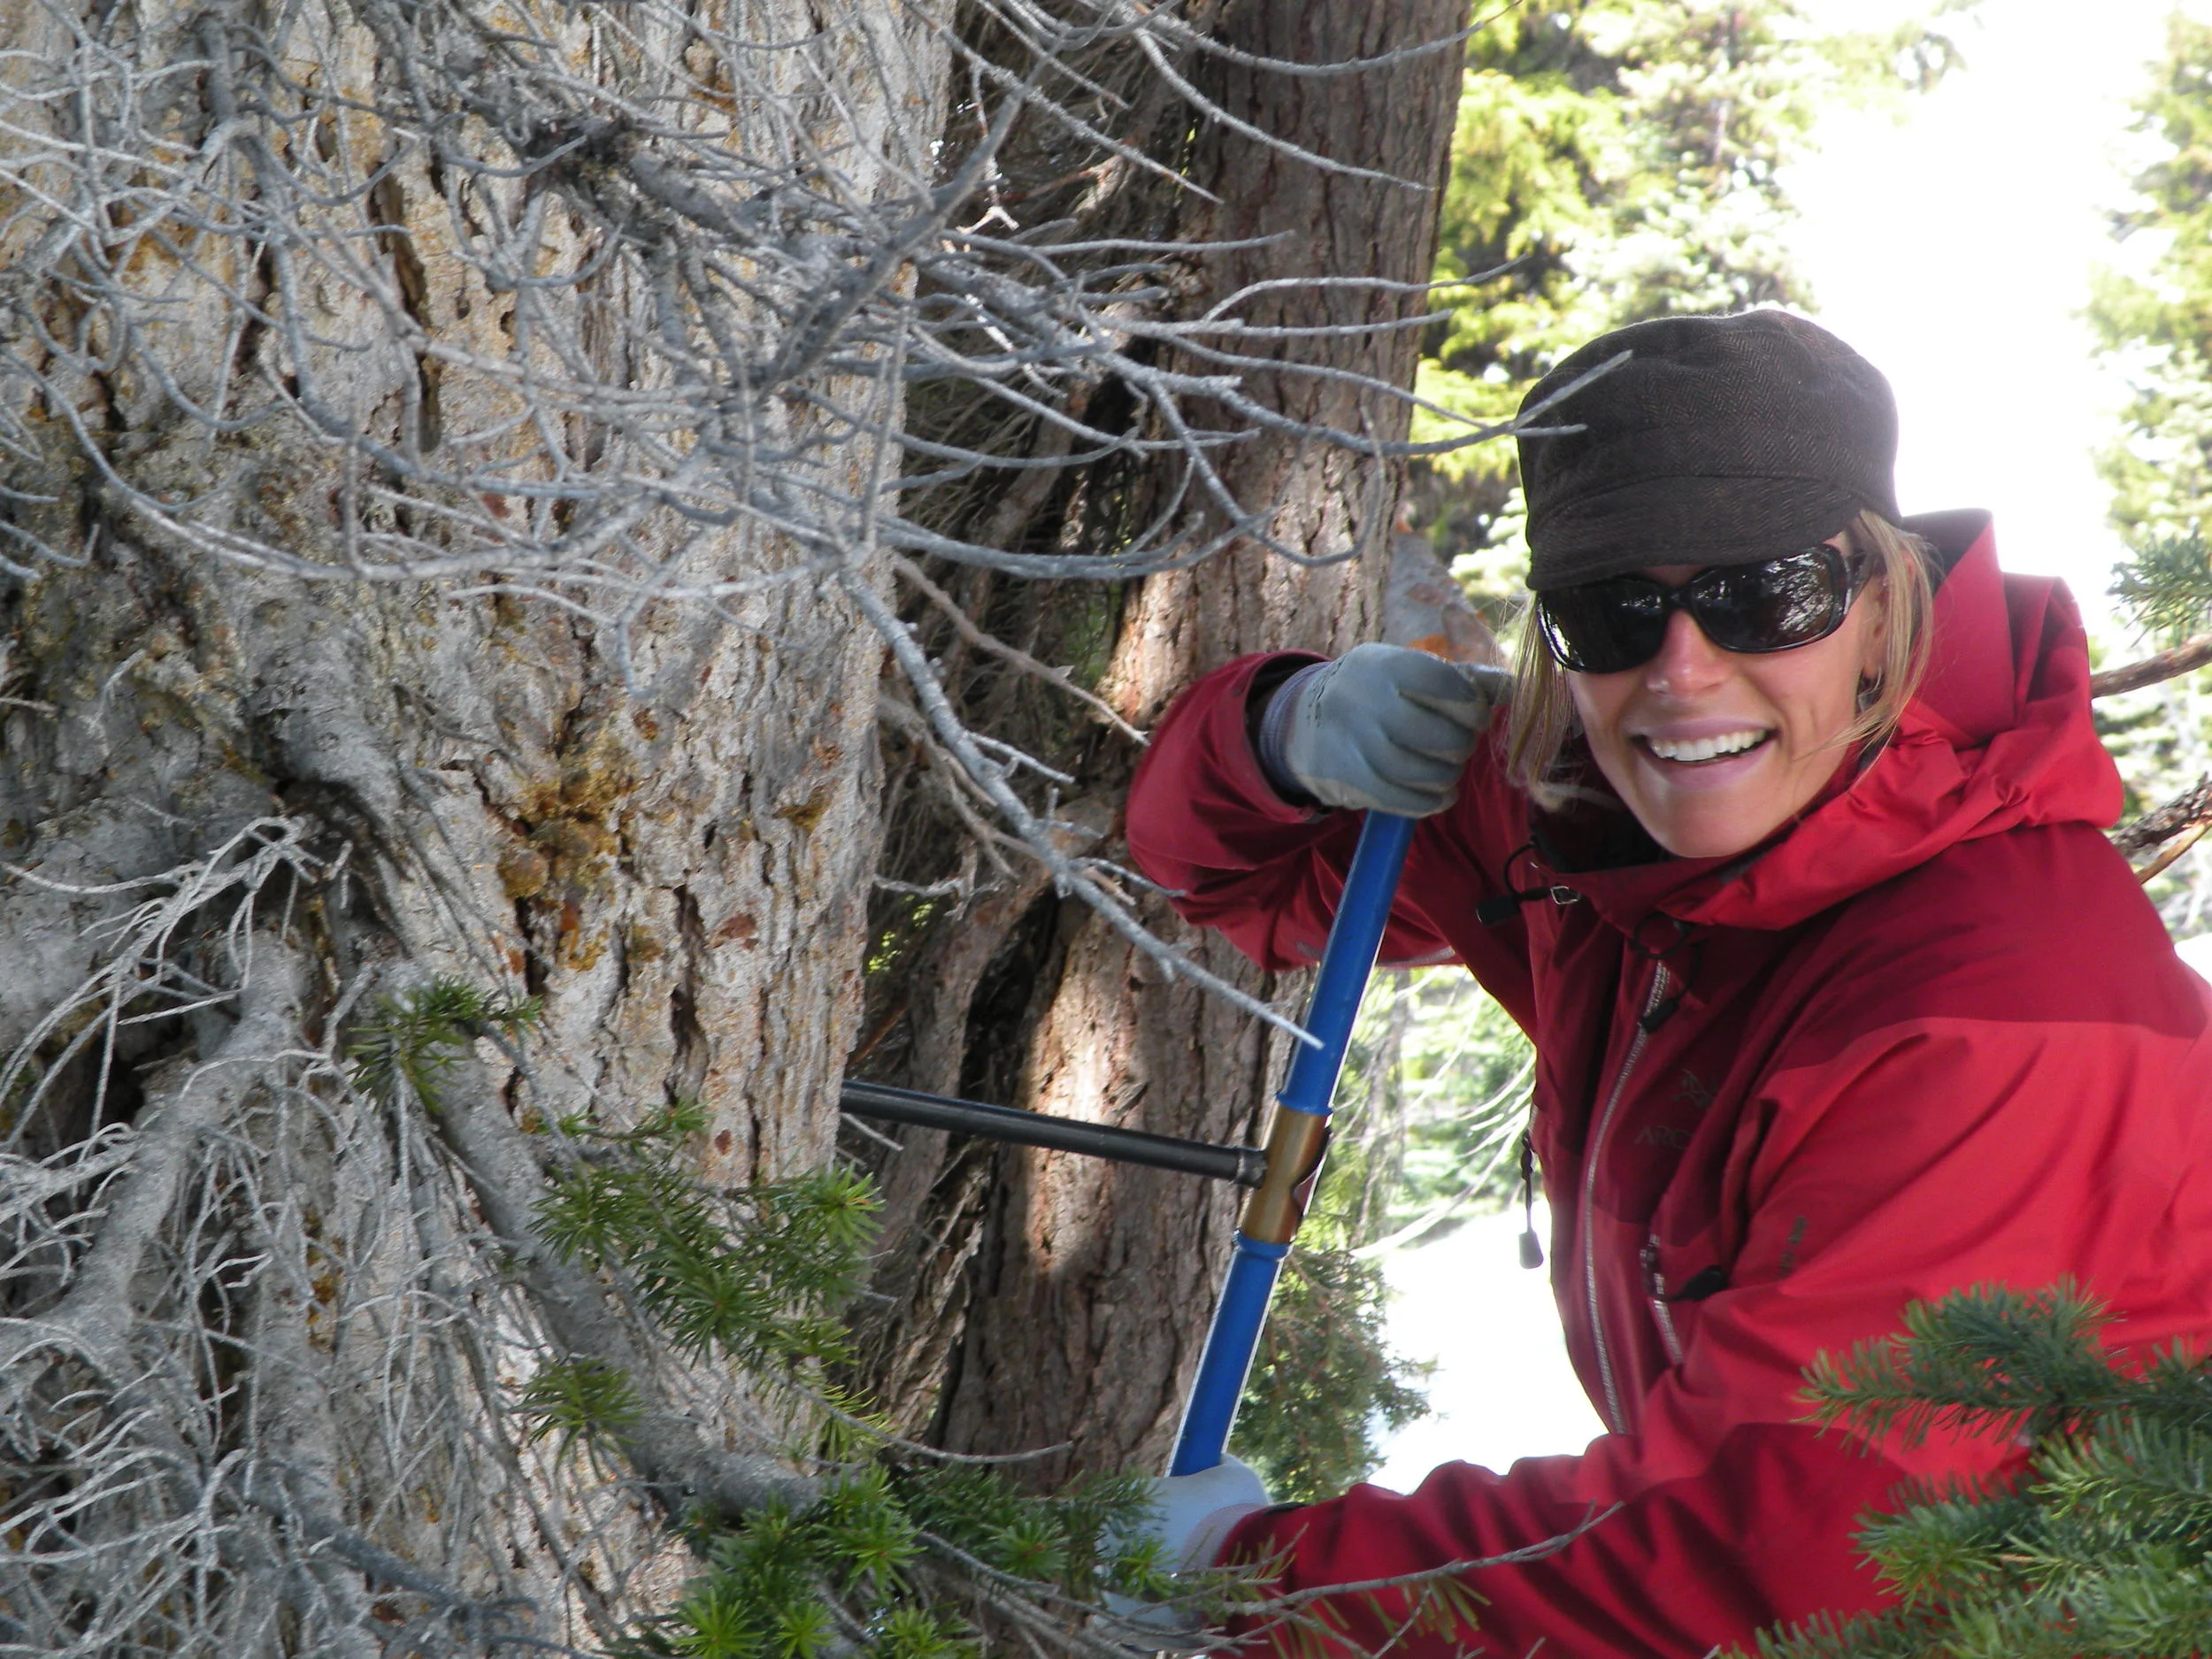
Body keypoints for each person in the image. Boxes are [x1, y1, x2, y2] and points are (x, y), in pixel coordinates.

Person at [1121, 311, 2212, 1657]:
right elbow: (1246, 883)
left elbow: (1778, 1549)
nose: (1685, 671)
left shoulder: (2009, 1011)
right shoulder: (1584, 825)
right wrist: (1284, 730)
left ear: (1880, 606)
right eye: (1614, 610)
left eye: (1765, 596)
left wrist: (1257, 1574)